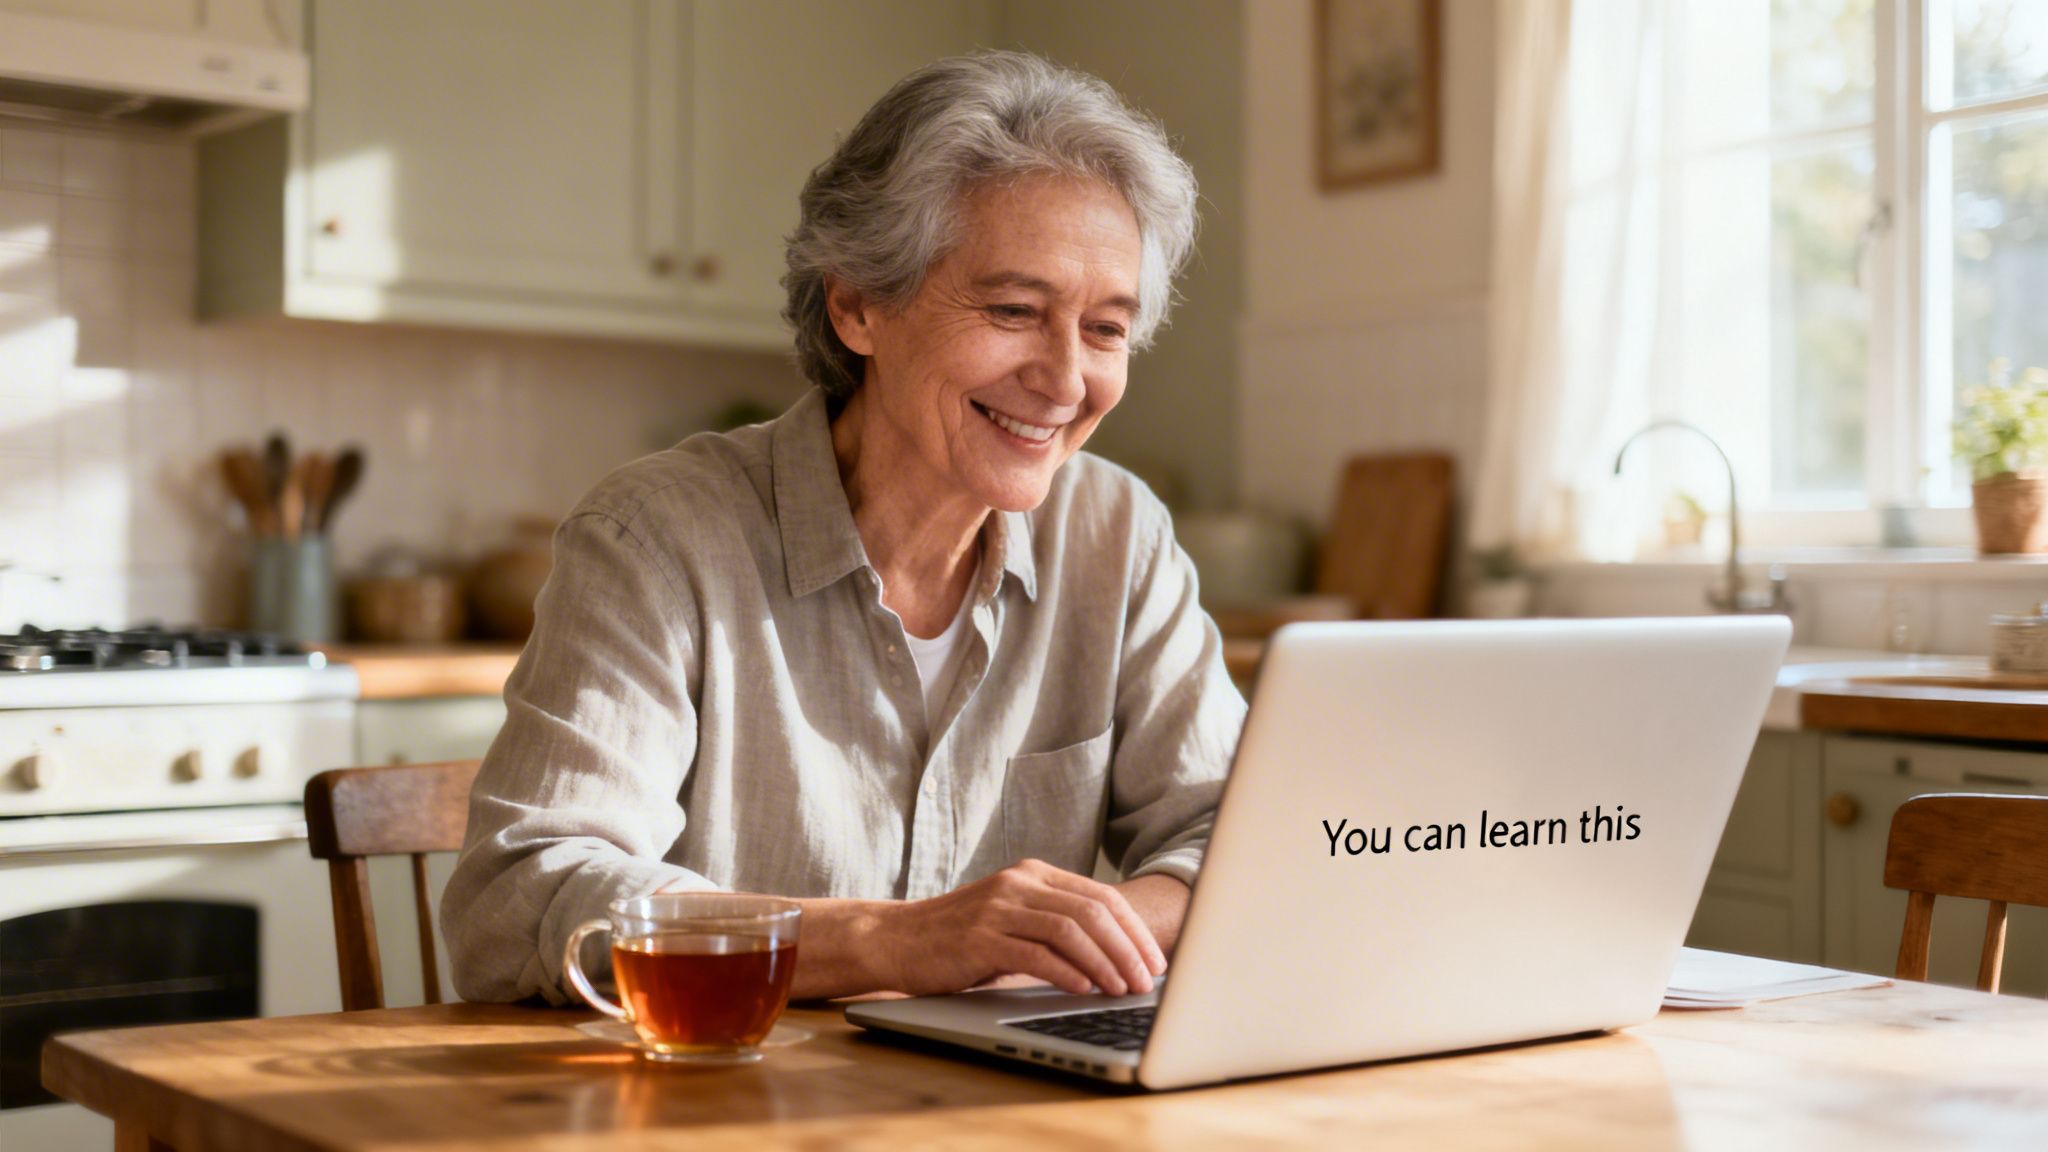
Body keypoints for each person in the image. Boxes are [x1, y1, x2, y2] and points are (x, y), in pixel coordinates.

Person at [442, 50, 1245, 1004]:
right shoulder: (657, 537)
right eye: (1014, 310)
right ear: (858, 304)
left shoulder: (1119, 535)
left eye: (1106, 329)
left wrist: (1064, 936)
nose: (1068, 380)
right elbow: (519, 901)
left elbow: (1239, 840)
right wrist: (898, 942)